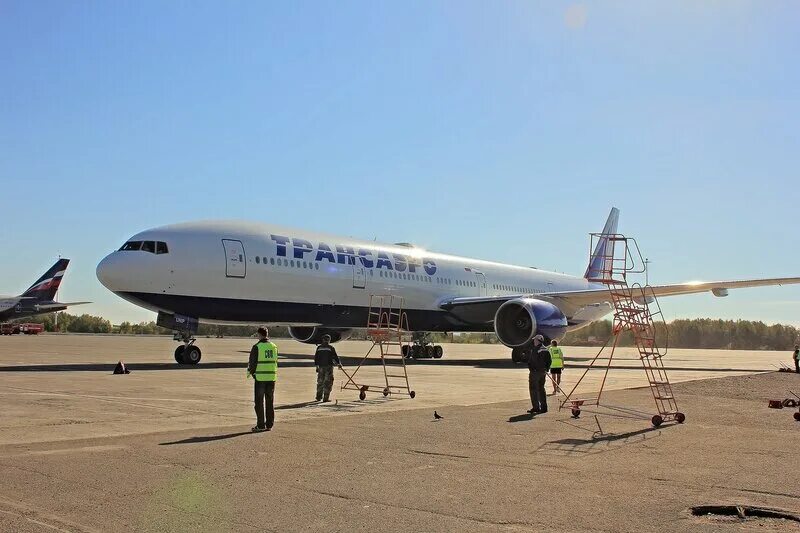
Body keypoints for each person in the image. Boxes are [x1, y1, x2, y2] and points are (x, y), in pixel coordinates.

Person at [247, 327, 278, 432]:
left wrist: (253, 373)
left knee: (259, 402)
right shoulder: (274, 346)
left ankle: (260, 425)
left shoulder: (257, 347)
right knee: (270, 402)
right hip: (272, 378)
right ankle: (269, 424)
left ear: (259, 334)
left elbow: (252, 363)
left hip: (260, 378)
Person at [526, 335, 551, 414]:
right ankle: (544, 408)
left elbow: (532, 361)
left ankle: (536, 407)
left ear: (538, 341)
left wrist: (531, 369)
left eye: (535, 340)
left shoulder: (535, 349)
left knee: (533, 390)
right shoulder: (546, 349)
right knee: (541, 389)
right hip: (543, 372)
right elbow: (549, 361)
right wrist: (546, 369)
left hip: (535, 372)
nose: (534, 341)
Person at [314, 334, 341, 402]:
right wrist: (339, 364)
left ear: (323, 340)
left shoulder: (319, 348)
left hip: (321, 367)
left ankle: (318, 397)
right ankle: (325, 398)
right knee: (328, 382)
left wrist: (317, 366)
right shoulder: (330, 348)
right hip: (328, 367)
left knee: (320, 381)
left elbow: (316, 358)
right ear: (329, 340)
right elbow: (335, 357)